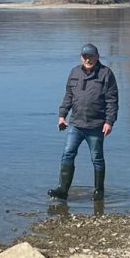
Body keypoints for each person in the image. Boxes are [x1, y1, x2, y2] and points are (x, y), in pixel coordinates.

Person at [48, 43, 119, 202]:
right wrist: (62, 115)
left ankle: (98, 191)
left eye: (91, 56)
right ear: (81, 57)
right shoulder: (74, 72)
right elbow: (68, 96)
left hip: (96, 125)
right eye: (85, 57)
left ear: (97, 57)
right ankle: (62, 189)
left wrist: (109, 121)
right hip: (76, 124)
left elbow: (112, 100)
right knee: (68, 153)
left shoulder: (106, 74)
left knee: (97, 158)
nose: (88, 59)